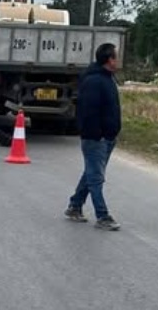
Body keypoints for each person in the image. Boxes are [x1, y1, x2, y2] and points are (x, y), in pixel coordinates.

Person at [65, 42, 122, 231]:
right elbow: (88, 112)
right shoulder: (94, 81)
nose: (118, 60)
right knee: (96, 177)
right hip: (96, 139)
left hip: (106, 137)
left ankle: (75, 206)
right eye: (116, 56)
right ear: (109, 60)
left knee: (91, 173)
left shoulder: (107, 78)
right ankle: (103, 216)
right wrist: (97, 135)